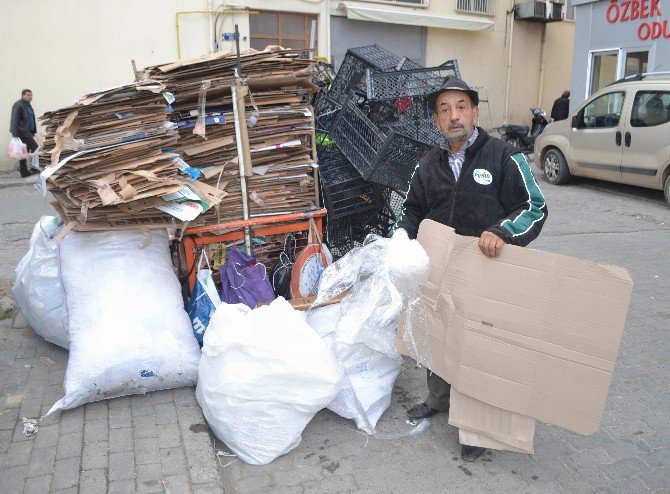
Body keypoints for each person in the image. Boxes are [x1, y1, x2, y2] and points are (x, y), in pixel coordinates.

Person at [397, 75, 548, 462]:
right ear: (436, 121)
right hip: (439, 267)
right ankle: (438, 398)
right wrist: (400, 242)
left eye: (461, 107)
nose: (454, 116)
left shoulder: (502, 156)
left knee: (476, 346)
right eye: (444, 110)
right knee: (438, 334)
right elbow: (412, 210)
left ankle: (474, 422)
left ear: (475, 112)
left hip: (486, 271)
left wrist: (502, 232)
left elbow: (534, 206)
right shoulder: (428, 164)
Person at [10, 89, 39, 177]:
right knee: (35, 148)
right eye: (28, 95)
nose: (30, 97)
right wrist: (15, 134)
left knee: (24, 152)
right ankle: (33, 168)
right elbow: (14, 119)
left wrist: (33, 131)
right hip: (22, 133)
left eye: (31, 95)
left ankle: (24, 172)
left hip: (28, 132)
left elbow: (30, 119)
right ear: (23, 95)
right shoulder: (18, 105)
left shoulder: (28, 105)